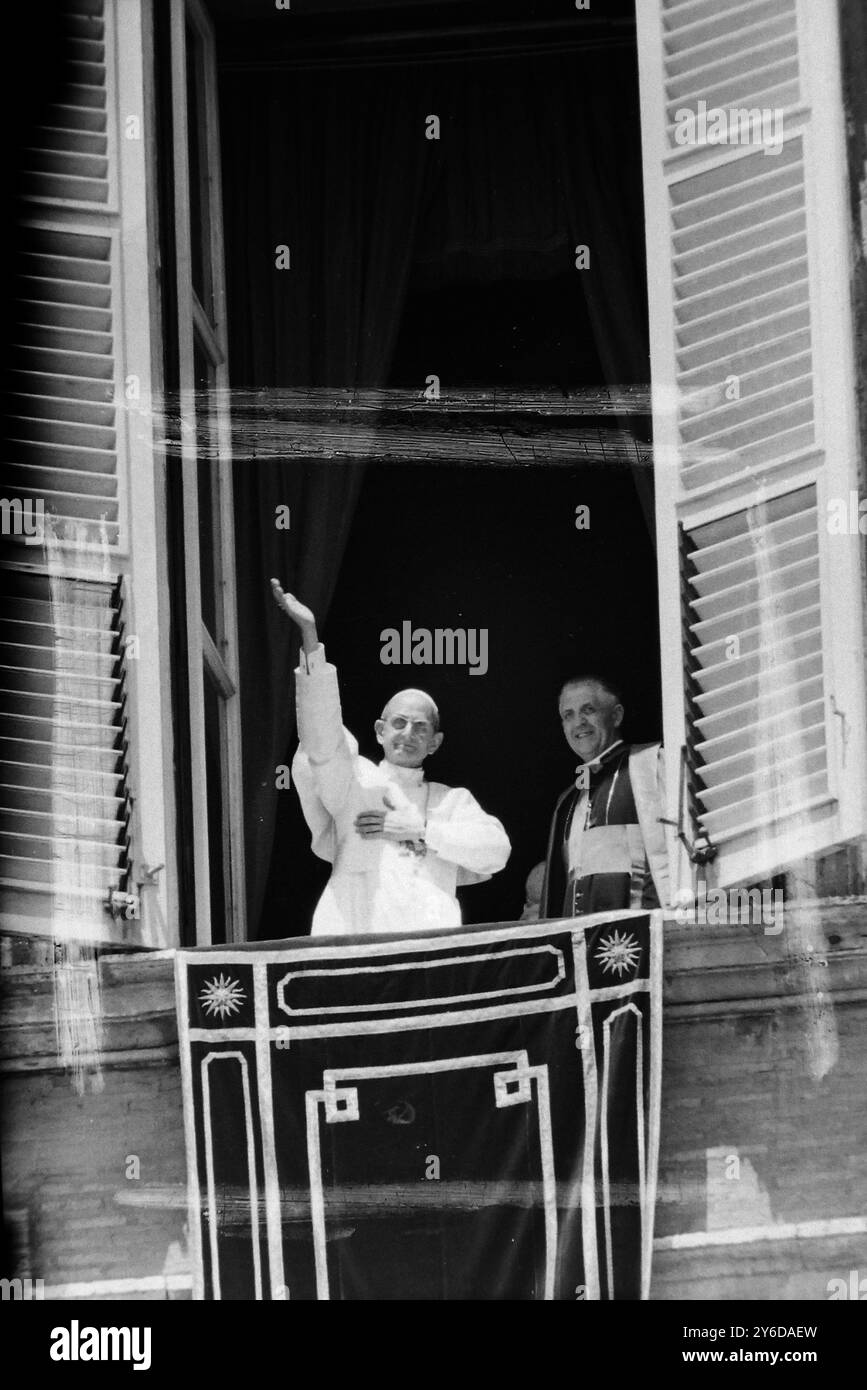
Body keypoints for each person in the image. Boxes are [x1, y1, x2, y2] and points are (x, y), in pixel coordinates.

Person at [271, 580, 511, 936]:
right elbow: (322, 740)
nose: (408, 733)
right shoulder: (355, 780)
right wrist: (310, 639)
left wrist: (420, 829)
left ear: (435, 742)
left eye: (420, 727)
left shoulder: (452, 800)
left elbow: (496, 850)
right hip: (356, 938)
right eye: (399, 723)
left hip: (428, 947)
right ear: (380, 731)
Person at [538, 675, 673, 920]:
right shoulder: (568, 801)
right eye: (568, 715)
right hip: (583, 944)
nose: (578, 722)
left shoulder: (652, 764)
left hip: (644, 934)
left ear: (616, 715)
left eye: (588, 710)